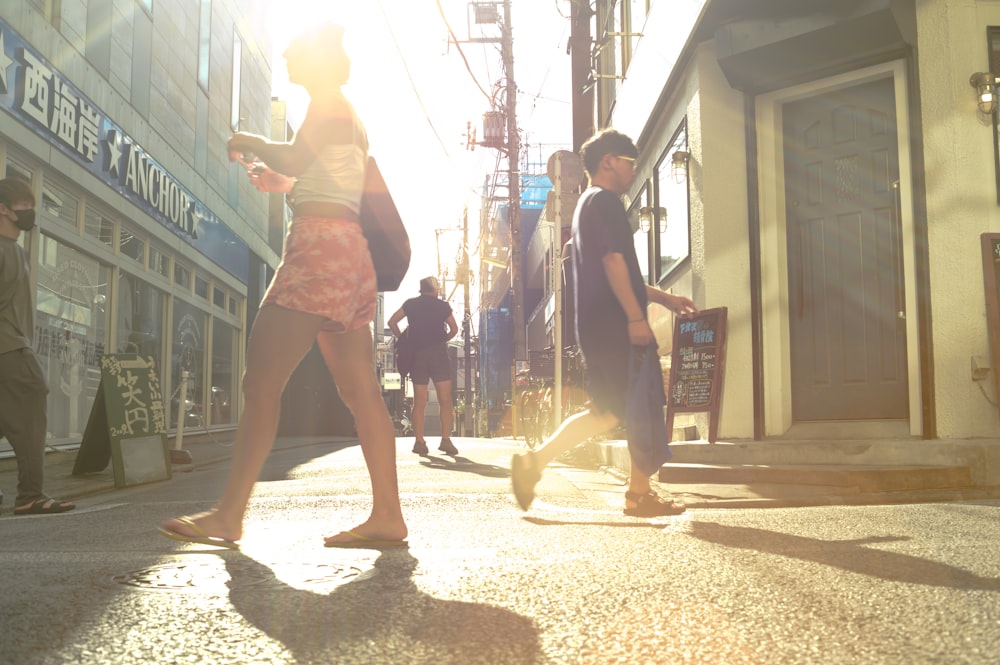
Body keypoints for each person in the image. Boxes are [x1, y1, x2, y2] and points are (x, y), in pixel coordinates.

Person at [159, 23, 406, 549]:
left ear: (316, 62)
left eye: (295, 54)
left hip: (317, 250)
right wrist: (283, 183)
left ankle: (229, 515)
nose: (288, 60)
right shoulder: (345, 112)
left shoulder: (328, 105)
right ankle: (388, 515)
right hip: (348, 254)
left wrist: (251, 142)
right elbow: (322, 174)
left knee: (261, 381)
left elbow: (297, 158)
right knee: (360, 390)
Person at [510, 129, 698, 517]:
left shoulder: (586, 205)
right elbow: (614, 263)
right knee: (638, 402)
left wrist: (664, 298)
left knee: (611, 410)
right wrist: (634, 318)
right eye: (629, 164)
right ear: (609, 162)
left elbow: (617, 268)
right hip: (616, 326)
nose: (633, 171)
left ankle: (539, 465)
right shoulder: (606, 202)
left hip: (596, 327)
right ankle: (638, 494)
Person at [0, 177, 76, 515]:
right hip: (10, 348)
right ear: (3, 209)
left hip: (12, 346)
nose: (31, 214)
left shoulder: (17, 251)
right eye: (24, 208)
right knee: (34, 400)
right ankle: (29, 495)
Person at [387, 276, 459, 456]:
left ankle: (419, 442)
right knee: (445, 400)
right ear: (435, 289)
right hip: (438, 355)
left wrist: (404, 339)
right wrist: (443, 339)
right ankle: (445, 440)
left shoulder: (411, 304)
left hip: (417, 355)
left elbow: (392, 322)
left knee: (419, 401)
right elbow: (454, 329)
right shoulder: (442, 306)